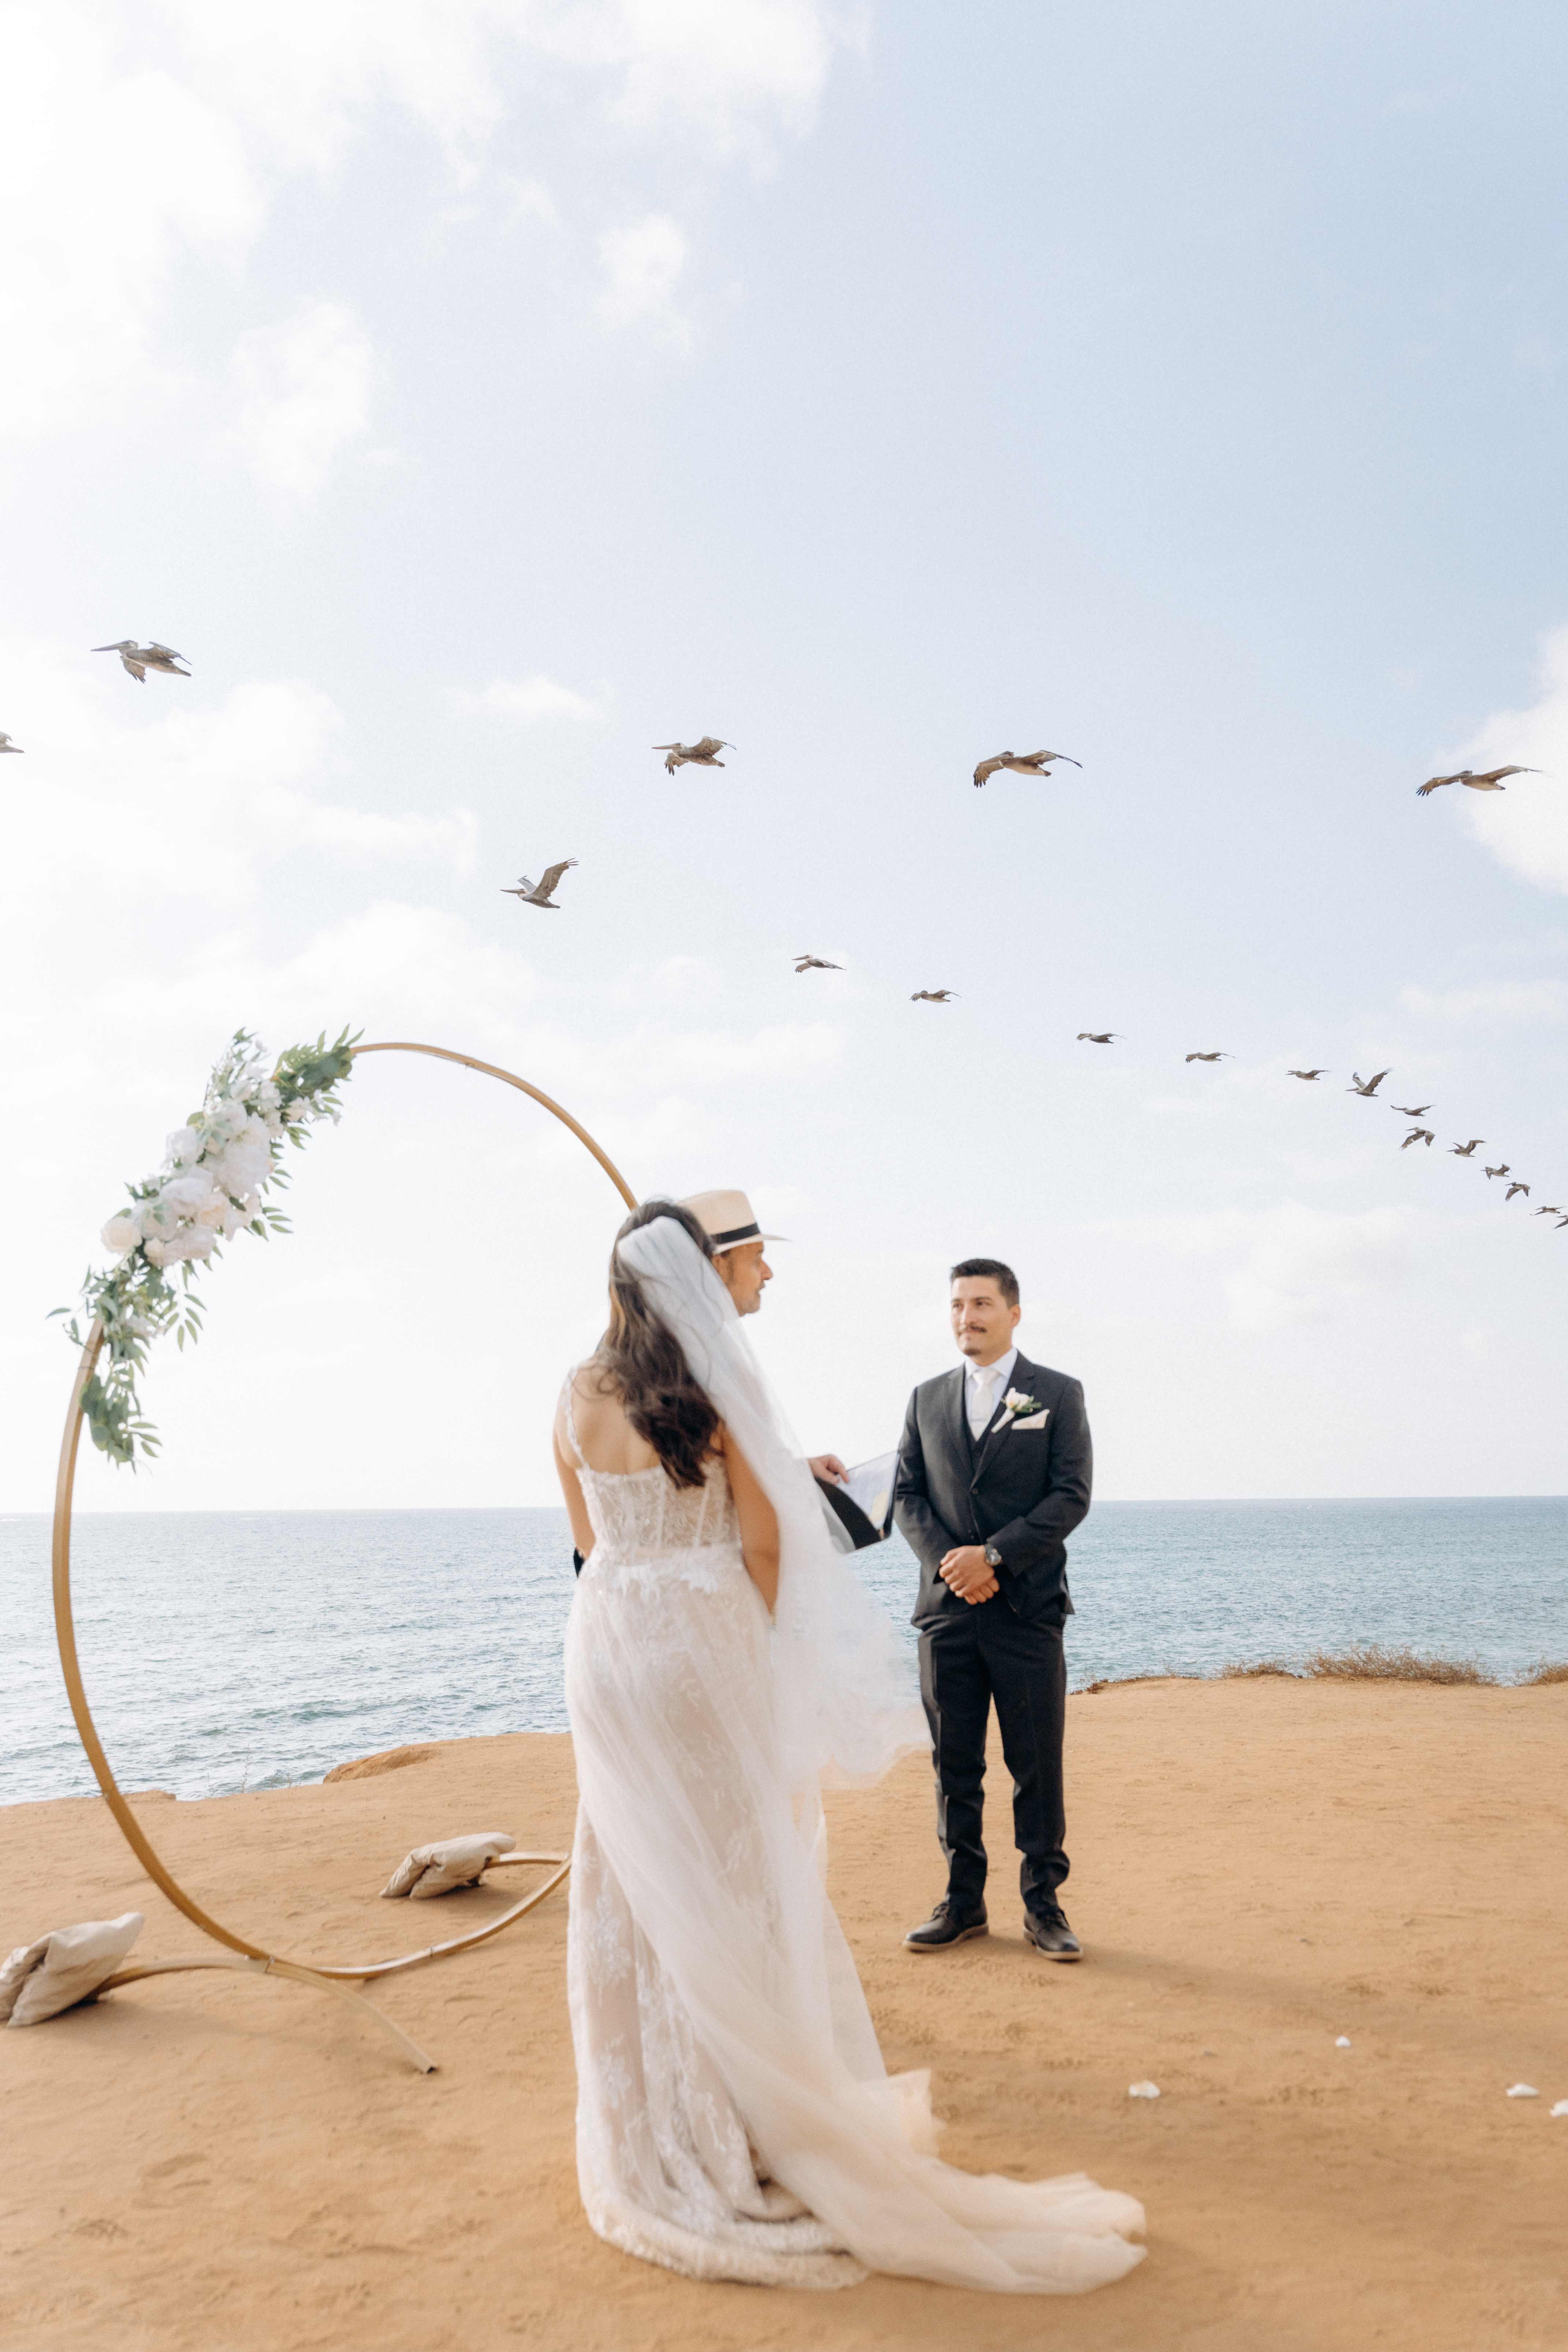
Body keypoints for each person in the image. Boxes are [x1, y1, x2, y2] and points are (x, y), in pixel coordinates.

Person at [551, 1200, 1144, 2293]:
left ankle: (644, 2123)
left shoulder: (575, 1390)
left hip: (607, 1647)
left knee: (632, 1867)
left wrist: (668, 1561)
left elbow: (589, 1539)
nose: (763, 1267)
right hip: (696, 1644)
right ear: (692, 1276)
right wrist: (754, 1634)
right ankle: (743, 2110)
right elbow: (768, 1538)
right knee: (733, 1865)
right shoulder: (709, 1388)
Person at [894, 1258, 1091, 1961]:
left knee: (1035, 1763)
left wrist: (995, 1558)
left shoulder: (1056, 1395)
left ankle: (1044, 1906)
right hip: (946, 1612)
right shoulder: (924, 1398)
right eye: (956, 1305)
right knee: (954, 1765)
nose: (965, 1317)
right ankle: (963, 1901)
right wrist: (955, 1564)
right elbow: (907, 1497)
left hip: (1026, 1611)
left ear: (1013, 1312)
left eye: (980, 1304)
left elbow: (1070, 1496)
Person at [680, 1186, 847, 1488]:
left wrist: (798, 1469)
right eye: (757, 1258)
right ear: (718, 1265)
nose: (768, 1273)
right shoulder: (687, 1363)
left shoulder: (704, 1348)